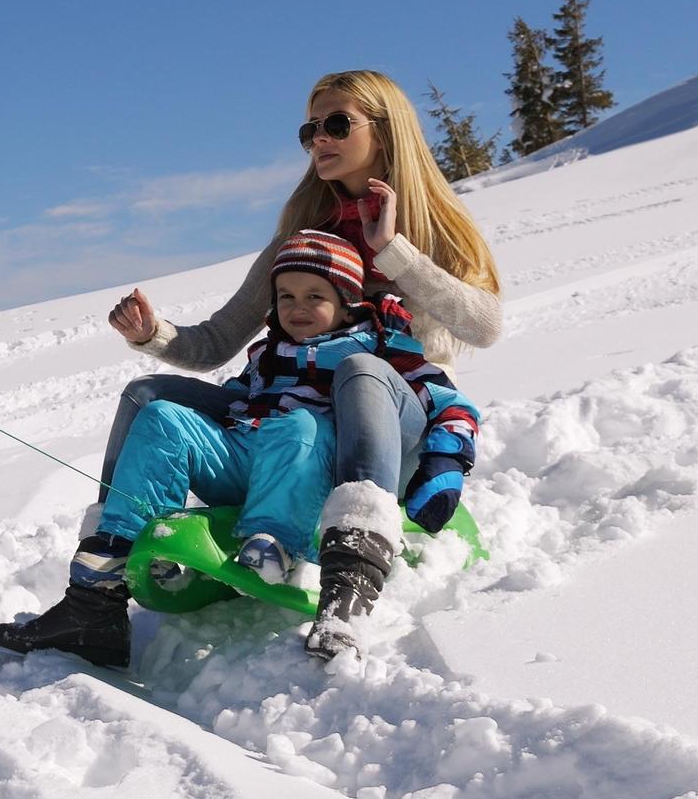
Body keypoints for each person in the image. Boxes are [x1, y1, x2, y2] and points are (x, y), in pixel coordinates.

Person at [79, 70, 503, 640]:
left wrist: (392, 252)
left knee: (361, 369)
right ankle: (96, 592)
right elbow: (218, 342)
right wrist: (152, 333)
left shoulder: (430, 230)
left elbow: (484, 325)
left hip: (388, 433)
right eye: (310, 130)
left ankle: (356, 555)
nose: (319, 140)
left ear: (386, 131)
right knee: (148, 396)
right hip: (288, 436)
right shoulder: (301, 237)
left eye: (336, 124)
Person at [0, 230, 482, 666]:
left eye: (315, 296)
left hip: (328, 465)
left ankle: (291, 554)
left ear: (349, 302)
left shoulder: (379, 346)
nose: (297, 307)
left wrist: (445, 462)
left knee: (300, 426)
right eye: (286, 296)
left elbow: (450, 403)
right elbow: (237, 403)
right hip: (253, 458)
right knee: (161, 414)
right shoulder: (267, 352)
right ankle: (97, 595)